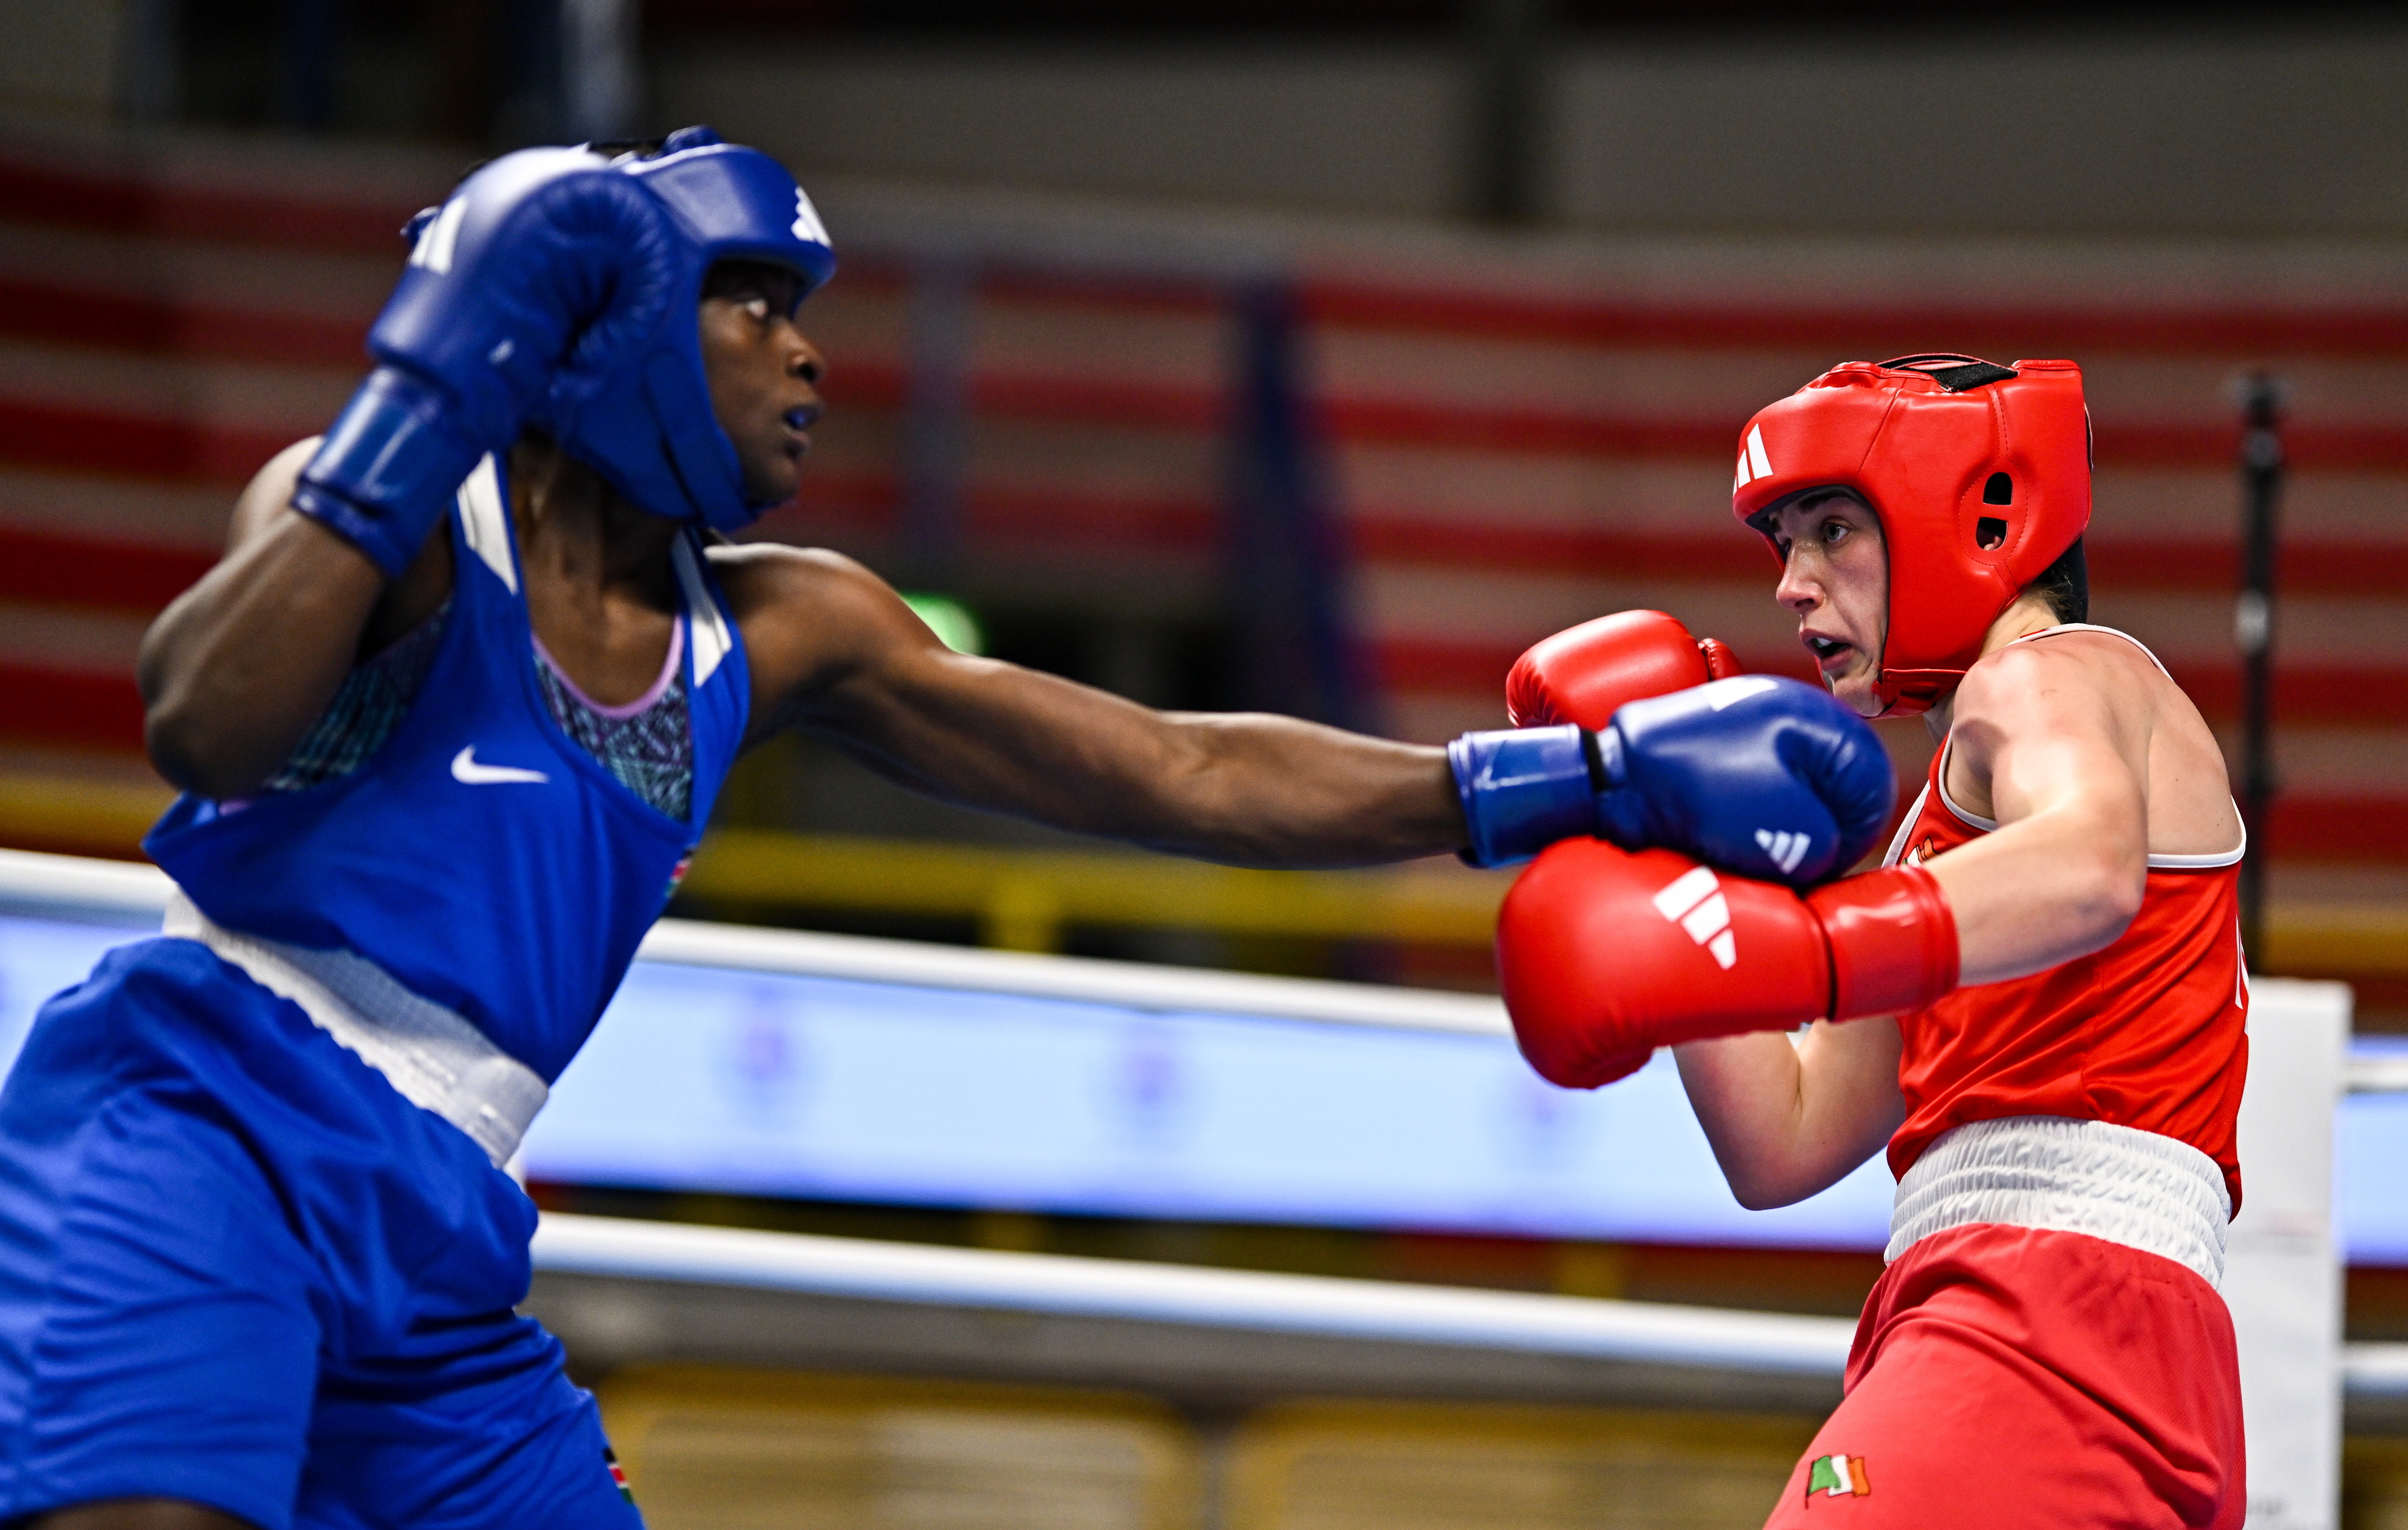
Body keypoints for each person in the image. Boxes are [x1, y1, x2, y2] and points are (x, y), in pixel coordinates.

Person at [0, 128, 1879, 1530]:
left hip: (441, 1226)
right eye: (759, 305)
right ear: (616, 316)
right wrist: (419, 395)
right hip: (204, 1119)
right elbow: (200, 716)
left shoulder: (781, 624)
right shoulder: (409, 523)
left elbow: (1177, 768)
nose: (809, 357)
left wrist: (1582, 780)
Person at [1494, 355, 2249, 1526]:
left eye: (1831, 529)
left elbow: (2089, 862)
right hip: (2044, 1318)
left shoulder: (2048, 679)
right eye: (1782, 545)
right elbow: (1780, 1141)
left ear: (1980, 516)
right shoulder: (1939, 837)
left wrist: (1809, 938)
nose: (1793, 586)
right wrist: (1672, 844)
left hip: (2041, 1318)